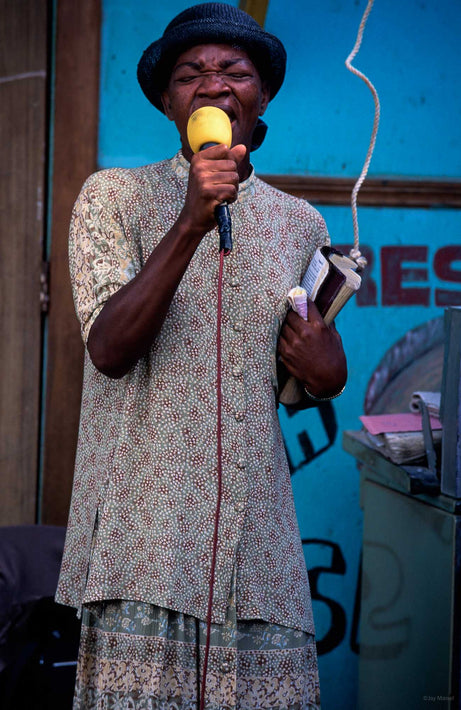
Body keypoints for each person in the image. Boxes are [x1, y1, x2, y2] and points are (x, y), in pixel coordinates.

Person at [56, 3, 347, 708]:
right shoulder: (111, 198)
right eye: (190, 74)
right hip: (141, 544)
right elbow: (109, 349)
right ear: (166, 102)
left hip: (259, 553)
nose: (213, 85)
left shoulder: (299, 225)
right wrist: (190, 219)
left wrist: (324, 369)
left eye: (234, 72)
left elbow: (294, 384)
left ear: (262, 96)